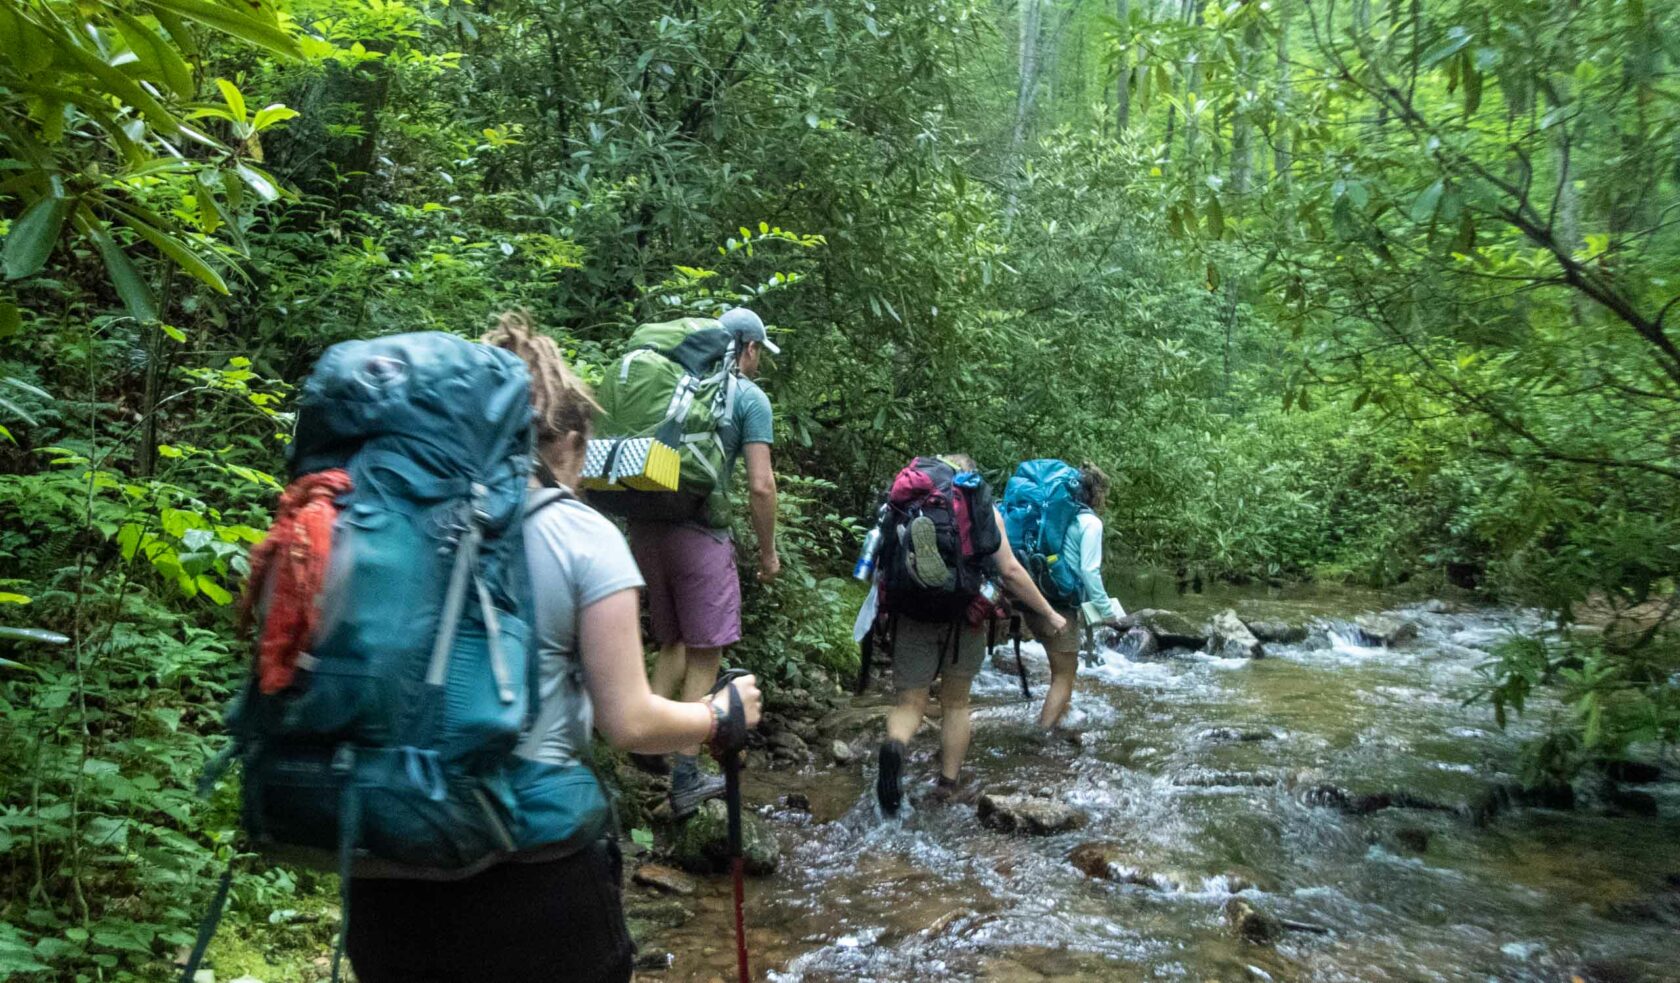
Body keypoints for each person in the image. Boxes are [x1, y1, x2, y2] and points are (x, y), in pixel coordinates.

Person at [346, 313, 763, 983]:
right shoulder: (579, 534)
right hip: (529, 868)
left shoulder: (383, 518)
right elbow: (628, 721)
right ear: (569, 443)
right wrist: (719, 713)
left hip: (382, 867)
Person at [630, 306, 781, 816]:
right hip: (699, 534)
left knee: (672, 640)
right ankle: (687, 774)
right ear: (749, 348)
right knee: (705, 651)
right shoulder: (749, 397)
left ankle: (646, 743)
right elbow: (761, 484)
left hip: (645, 528)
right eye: (760, 353)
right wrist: (767, 552)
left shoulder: (678, 381)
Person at [875, 454, 1067, 814]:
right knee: (956, 703)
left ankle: (895, 746)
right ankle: (946, 786)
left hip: (912, 614)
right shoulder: (981, 507)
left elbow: (882, 564)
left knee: (909, 703)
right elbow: (1009, 570)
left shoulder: (906, 503)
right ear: (970, 475)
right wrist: (1048, 612)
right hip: (965, 616)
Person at [1029, 462, 1120, 732]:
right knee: (1064, 675)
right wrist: (1107, 611)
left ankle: (1060, 723)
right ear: (1097, 494)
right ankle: (1040, 737)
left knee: (1062, 668)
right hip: (1059, 606)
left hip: (1033, 597)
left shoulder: (1057, 517)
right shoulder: (1090, 522)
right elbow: (1089, 571)